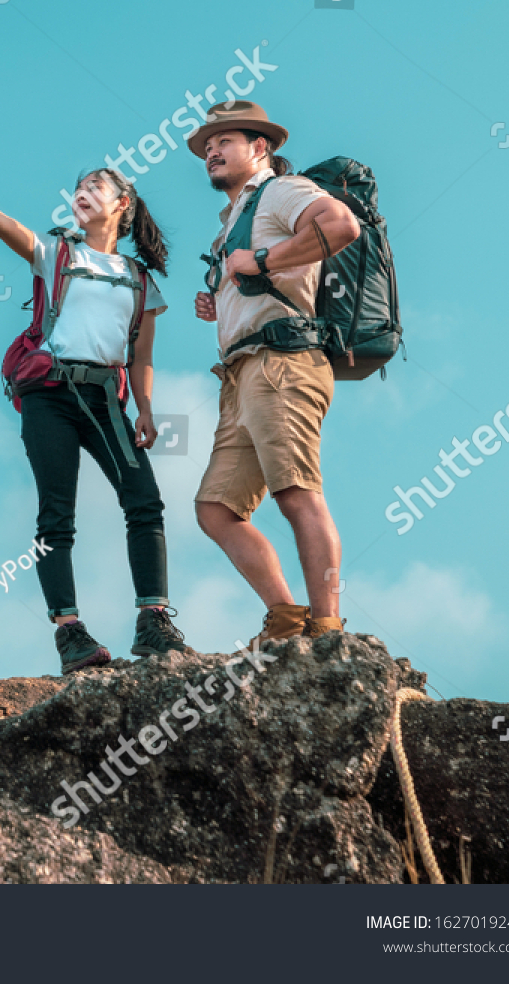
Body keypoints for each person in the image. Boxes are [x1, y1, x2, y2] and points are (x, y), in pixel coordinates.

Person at [0, 155, 193, 674]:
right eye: (78, 186)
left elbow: (141, 355)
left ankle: (153, 620)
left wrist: (145, 408)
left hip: (105, 399)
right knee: (55, 515)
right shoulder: (55, 252)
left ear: (121, 205)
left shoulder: (138, 278)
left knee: (144, 501)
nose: (82, 191)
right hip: (48, 396)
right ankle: (70, 633)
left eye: (95, 186)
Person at [186, 101, 361, 647]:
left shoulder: (281, 191)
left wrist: (259, 263)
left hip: (282, 362)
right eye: (207, 146)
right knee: (216, 509)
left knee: (297, 492)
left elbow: (342, 224)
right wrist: (224, 299)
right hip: (242, 374)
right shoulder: (234, 216)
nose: (212, 151)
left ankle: (327, 627)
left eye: (225, 142)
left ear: (259, 148)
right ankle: (286, 618)